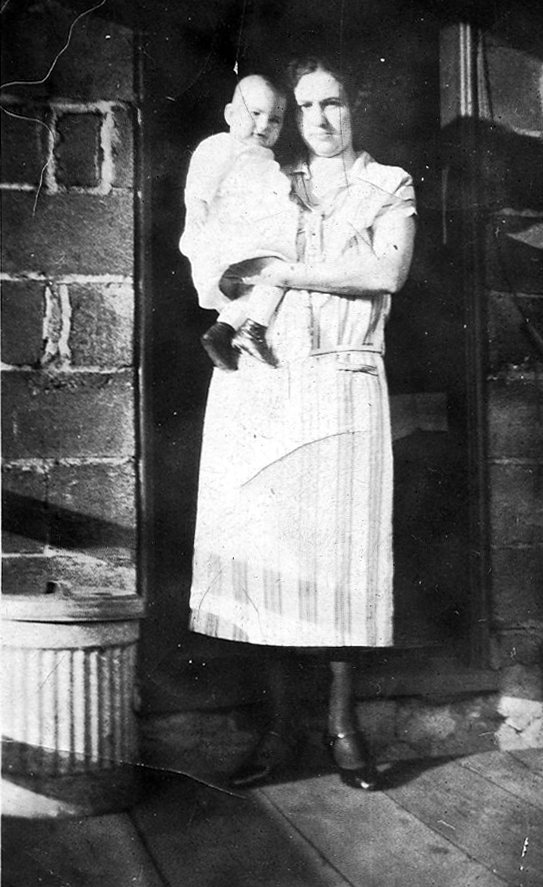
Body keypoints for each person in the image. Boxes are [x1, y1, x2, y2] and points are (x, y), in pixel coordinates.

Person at [188, 56, 417, 790]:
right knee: (270, 555)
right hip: (264, 379)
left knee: (345, 554)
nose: (320, 119)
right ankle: (280, 728)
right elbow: (214, 251)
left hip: (344, 380)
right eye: (308, 106)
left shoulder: (388, 185)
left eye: (334, 103)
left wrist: (284, 274)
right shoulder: (267, 176)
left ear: (356, 109)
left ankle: (342, 726)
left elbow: (385, 273)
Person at [179, 74, 298, 369]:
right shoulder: (223, 146)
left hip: (250, 243)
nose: (264, 125)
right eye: (255, 113)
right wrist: (197, 208)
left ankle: (224, 329)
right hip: (229, 241)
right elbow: (200, 180)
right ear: (230, 114)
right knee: (279, 273)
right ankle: (253, 328)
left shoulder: (265, 160)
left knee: (261, 289)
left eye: (275, 120)